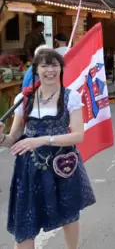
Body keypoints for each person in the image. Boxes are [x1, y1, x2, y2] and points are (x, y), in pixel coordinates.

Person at [1, 49, 95, 248]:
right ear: (36, 69)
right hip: (30, 167)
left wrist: (42, 140)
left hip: (63, 163)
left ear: (61, 68)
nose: (50, 70)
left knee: (69, 213)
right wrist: (1, 137)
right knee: (26, 219)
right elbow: (14, 137)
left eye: (54, 65)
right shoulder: (24, 99)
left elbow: (78, 135)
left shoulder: (71, 97)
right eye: (44, 65)